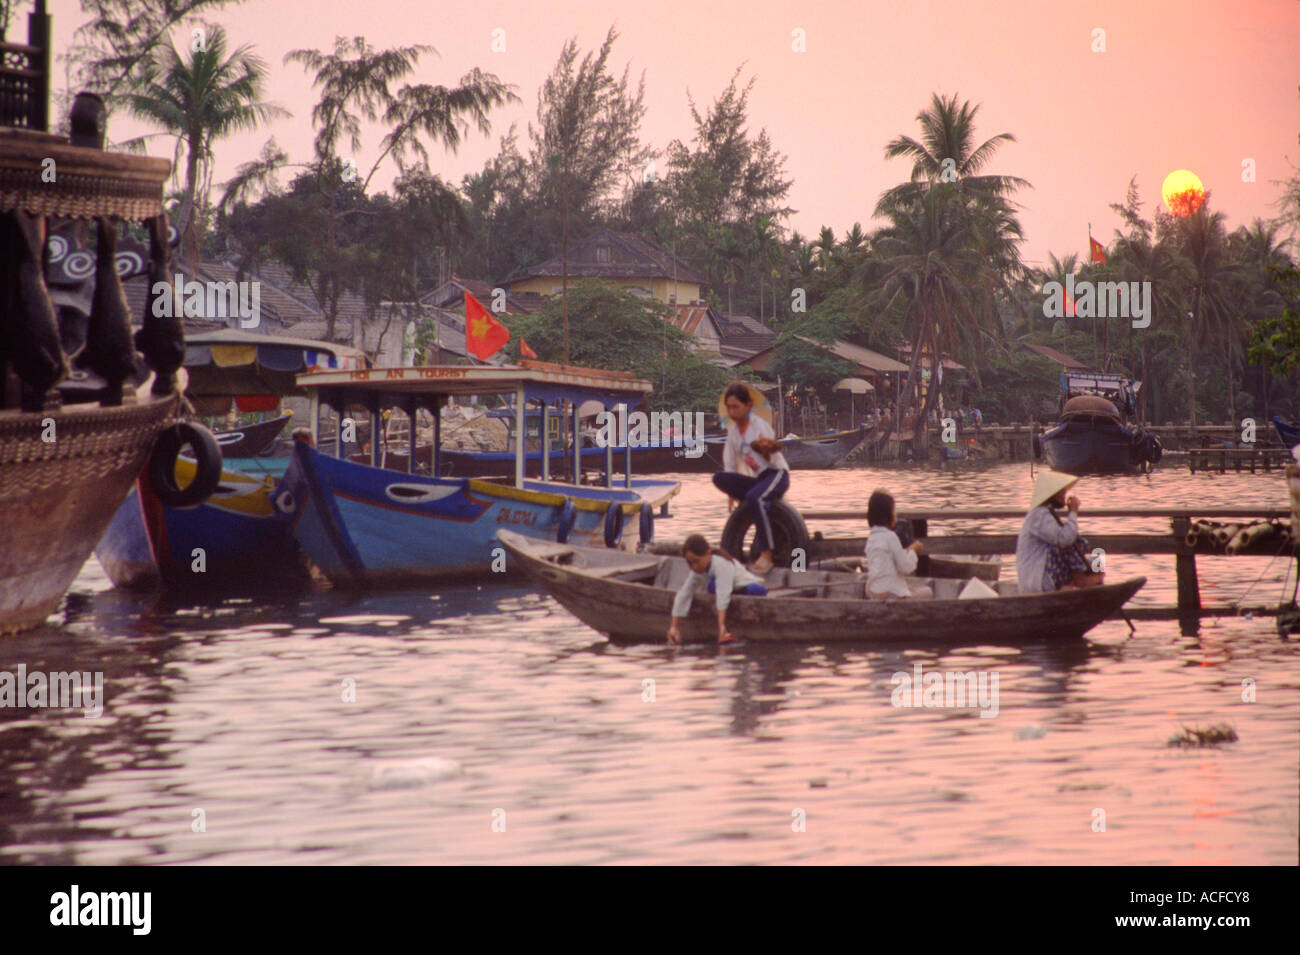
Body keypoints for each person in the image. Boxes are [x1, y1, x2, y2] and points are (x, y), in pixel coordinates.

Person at [712, 382, 790, 574]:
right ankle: (755, 504)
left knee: (756, 497)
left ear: (748, 406)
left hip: (776, 474)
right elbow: (729, 465)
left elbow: (773, 460)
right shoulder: (733, 433)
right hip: (759, 479)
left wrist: (766, 451)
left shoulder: (760, 427)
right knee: (719, 477)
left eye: (736, 407)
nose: (732, 411)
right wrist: (731, 493)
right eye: (729, 407)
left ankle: (766, 554)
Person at [666, 534, 768, 645]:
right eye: (690, 564)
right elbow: (684, 594)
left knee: (756, 590)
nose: (694, 567)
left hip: (743, 585)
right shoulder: (697, 571)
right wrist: (674, 626)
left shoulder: (721, 564)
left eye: (696, 561)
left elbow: (722, 596)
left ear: (708, 554)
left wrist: (722, 628)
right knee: (712, 585)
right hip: (726, 589)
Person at [1016, 471, 1106, 594]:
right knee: (1069, 542)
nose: (1065, 494)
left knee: (1097, 553)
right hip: (1036, 581)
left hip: (1044, 575)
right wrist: (1073, 512)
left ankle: (1084, 578)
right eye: (1061, 491)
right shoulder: (1039, 514)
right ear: (1052, 494)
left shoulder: (1046, 513)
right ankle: (1080, 580)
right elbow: (1064, 539)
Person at [864, 489, 932, 599]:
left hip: (874, 591)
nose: (895, 514)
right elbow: (906, 567)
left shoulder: (872, 538)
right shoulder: (890, 537)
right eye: (893, 511)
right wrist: (914, 552)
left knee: (910, 589)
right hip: (889, 593)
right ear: (888, 515)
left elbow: (889, 559)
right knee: (928, 592)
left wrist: (907, 551)